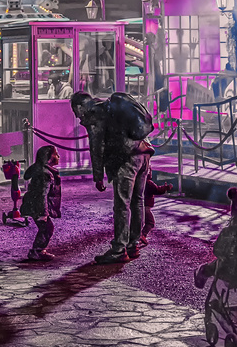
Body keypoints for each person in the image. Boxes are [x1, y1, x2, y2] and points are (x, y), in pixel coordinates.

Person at [73, 90, 155, 265]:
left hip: (125, 159)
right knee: (137, 201)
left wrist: (98, 176)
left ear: (80, 107)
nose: (78, 118)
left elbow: (96, 147)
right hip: (144, 153)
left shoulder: (94, 114)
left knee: (122, 205)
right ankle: (134, 244)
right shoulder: (109, 106)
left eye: (76, 112)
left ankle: (119, 249)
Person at [19, 144, 62, 262]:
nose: (58, 156)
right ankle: (37, 251)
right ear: (49, 158)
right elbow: (42, 195)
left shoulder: (44, 171)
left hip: (34, 205)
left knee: (46, 228)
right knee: (47, 228)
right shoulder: (45, 175)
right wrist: (43, 213)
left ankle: (38, 250)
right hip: (37, 207)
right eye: (55, 154)